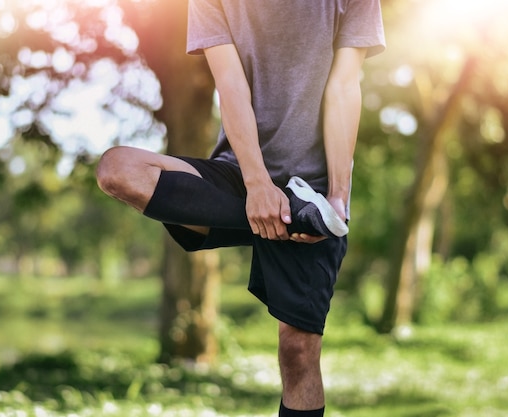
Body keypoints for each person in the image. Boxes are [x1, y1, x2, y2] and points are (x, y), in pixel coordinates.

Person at [96, 0, 385, 415]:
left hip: (318, 188)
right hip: (240, 175)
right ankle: (292, 215)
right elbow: (231, 84)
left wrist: (338, 198)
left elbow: (344, 87)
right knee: (118, 169)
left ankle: (306, 211)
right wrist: (259, 186)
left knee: (298, 352)